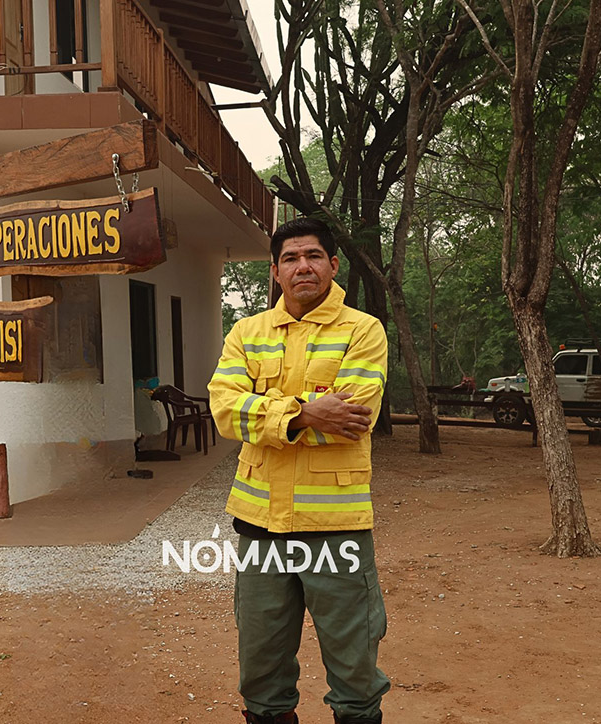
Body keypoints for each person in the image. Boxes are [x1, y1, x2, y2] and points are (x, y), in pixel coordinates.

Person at [208, 217, 390, 724]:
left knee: (355, 673)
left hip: (337, 529)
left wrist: (264, 410)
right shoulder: (247, 332)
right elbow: (223, 409)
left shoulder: (363, 330)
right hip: (259, 527)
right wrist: (307, 412)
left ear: (333, 265)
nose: (302, 266)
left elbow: (354, 416)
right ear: (275, 271)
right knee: (261, 673)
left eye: (312, 256)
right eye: (290, 258)